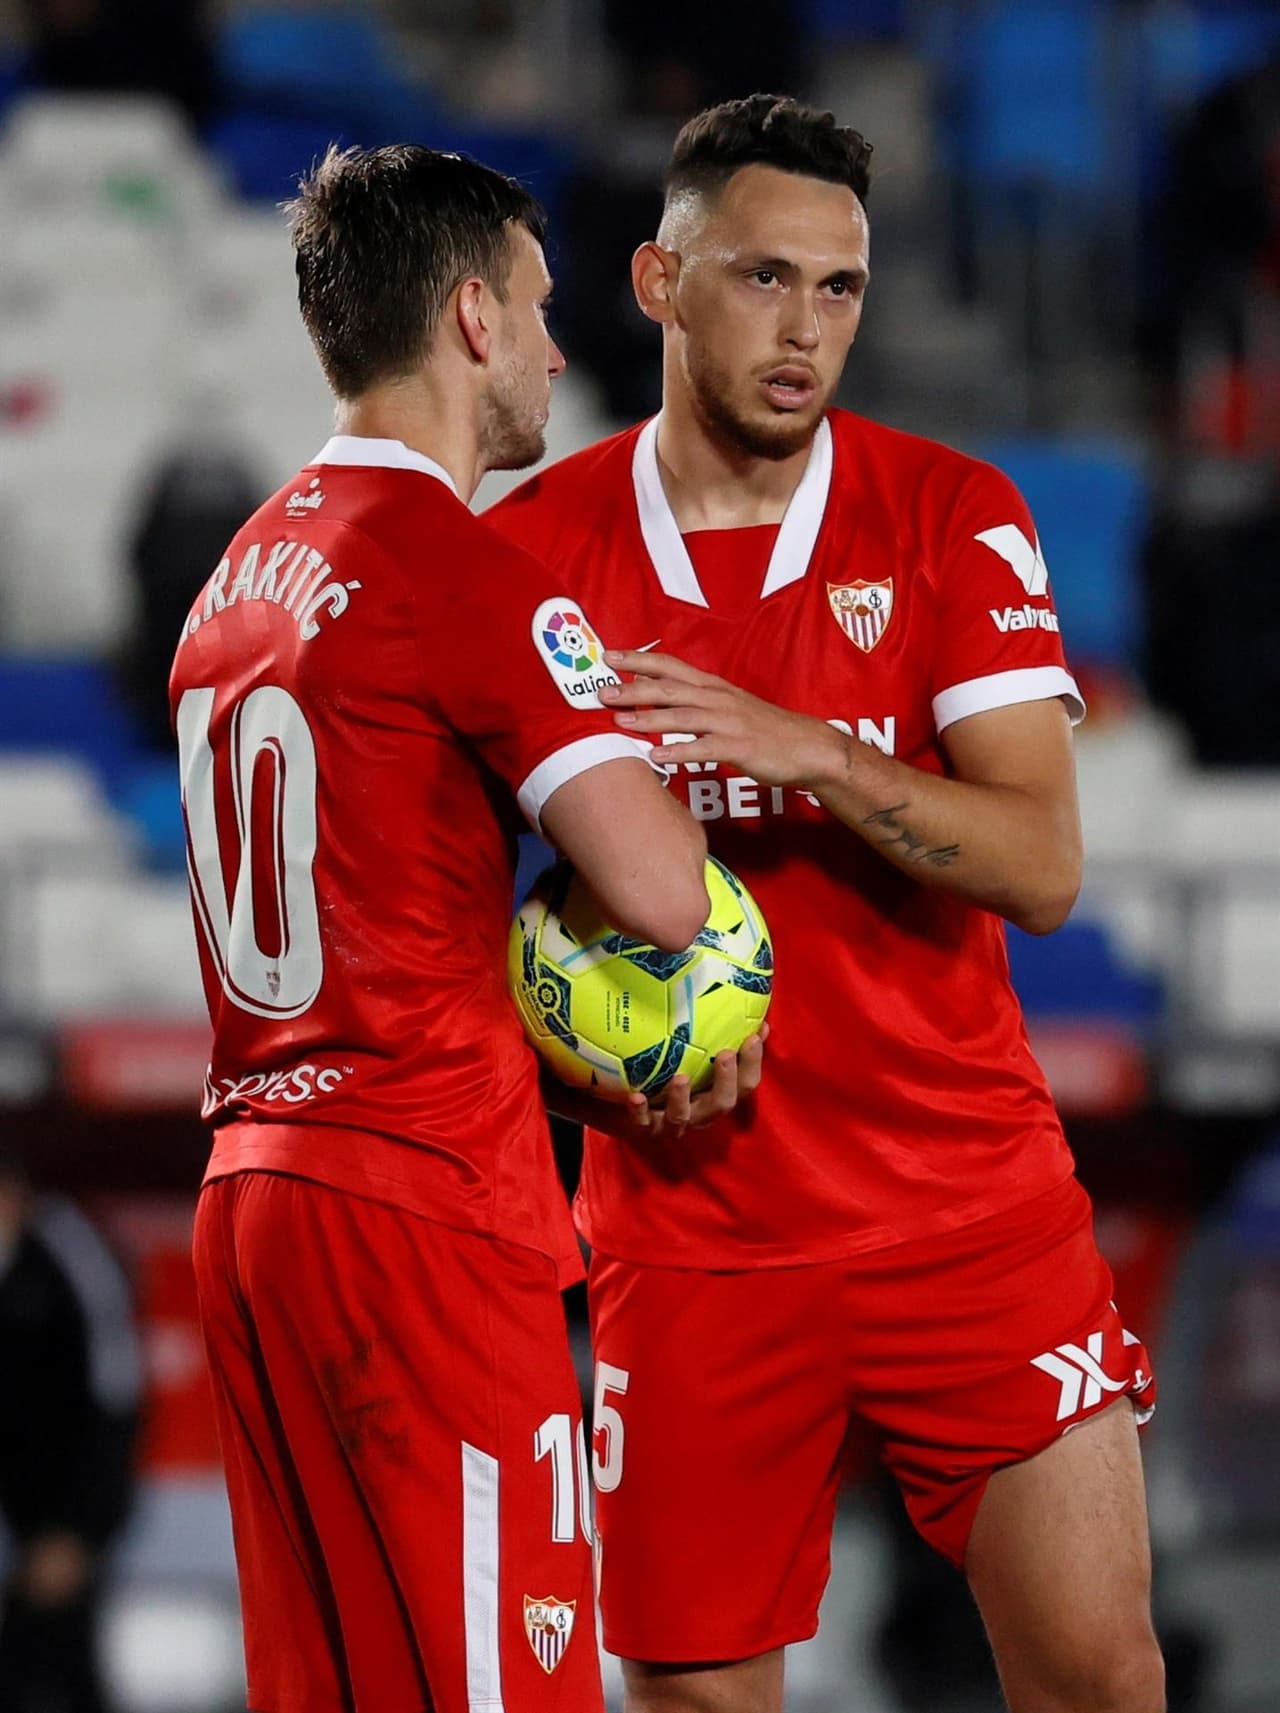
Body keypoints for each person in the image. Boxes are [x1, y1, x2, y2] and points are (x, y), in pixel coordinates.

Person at [488, 96, 1164, 1713]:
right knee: (700, 1698)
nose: (807, 331)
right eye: (765, 277)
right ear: (659, 280)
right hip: (696, 1239)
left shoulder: (950, 513)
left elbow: (1041, 865)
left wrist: (814, 755)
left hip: (971, 1209)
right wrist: (579, 1056)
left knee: (1101, 1673)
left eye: (842, 289)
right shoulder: (535, 551)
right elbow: (475, 915)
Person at [169, 143, 735, 1713]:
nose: (562, 350)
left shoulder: (230, 583)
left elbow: (370, 900)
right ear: (473, 318)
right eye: (545, 310)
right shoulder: (461, 570)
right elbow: (665, 892)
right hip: (419, 1207)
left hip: (253, 1196)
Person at [0, 1150, 140, 1713]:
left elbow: (115, 1397)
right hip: (12, 1524)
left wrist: (79, 1529)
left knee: (61, 1671)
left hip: (60, 1523)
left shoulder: (70, 1254)